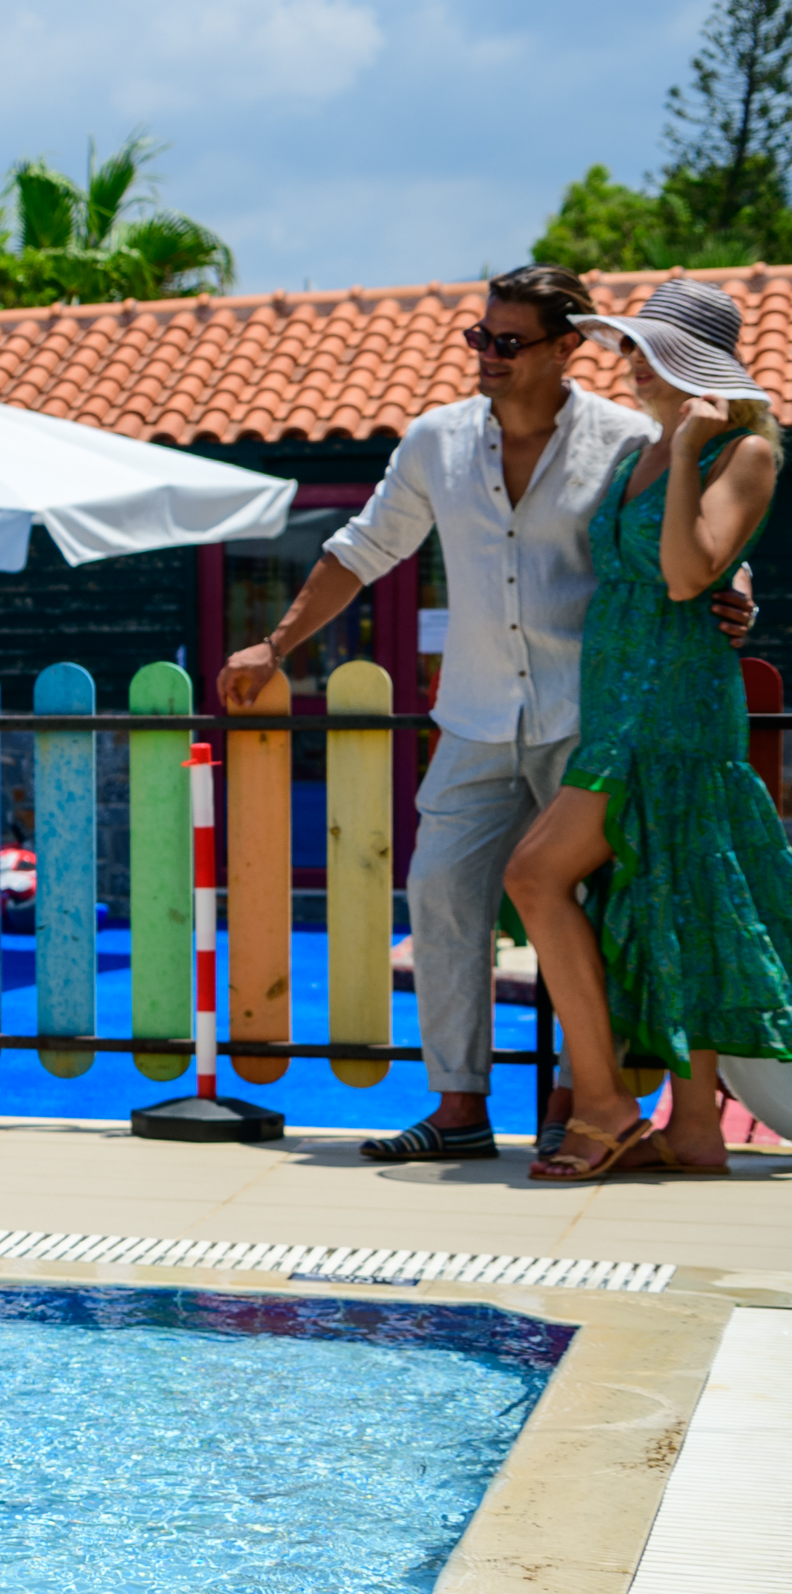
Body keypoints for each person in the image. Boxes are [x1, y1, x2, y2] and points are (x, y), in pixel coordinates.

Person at [224, 265, 748, 1162]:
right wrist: (275, 645)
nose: (488, 356)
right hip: (471, 713)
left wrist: (738, 591)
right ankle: (459, 1108)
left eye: (509, 343)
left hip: (591, 716)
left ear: (564, 349)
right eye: (481, 338)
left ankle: (582, 1098)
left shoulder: (626, 438)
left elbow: (680, 541)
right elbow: (362, 549)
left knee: (598, 905)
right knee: (440, 891)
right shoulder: (435, 441)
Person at [502, 279, 792, 1181]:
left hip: (674, 714)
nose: (625, 363)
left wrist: (696, 446)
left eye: (641, 347)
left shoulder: (742, 451)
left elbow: (683, 574)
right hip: (620, 707)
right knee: (670, 907)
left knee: (534, 874)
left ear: (686, 360)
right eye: (627, 346)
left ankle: (604, 1107)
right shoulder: (645, 451)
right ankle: (695, 1132)